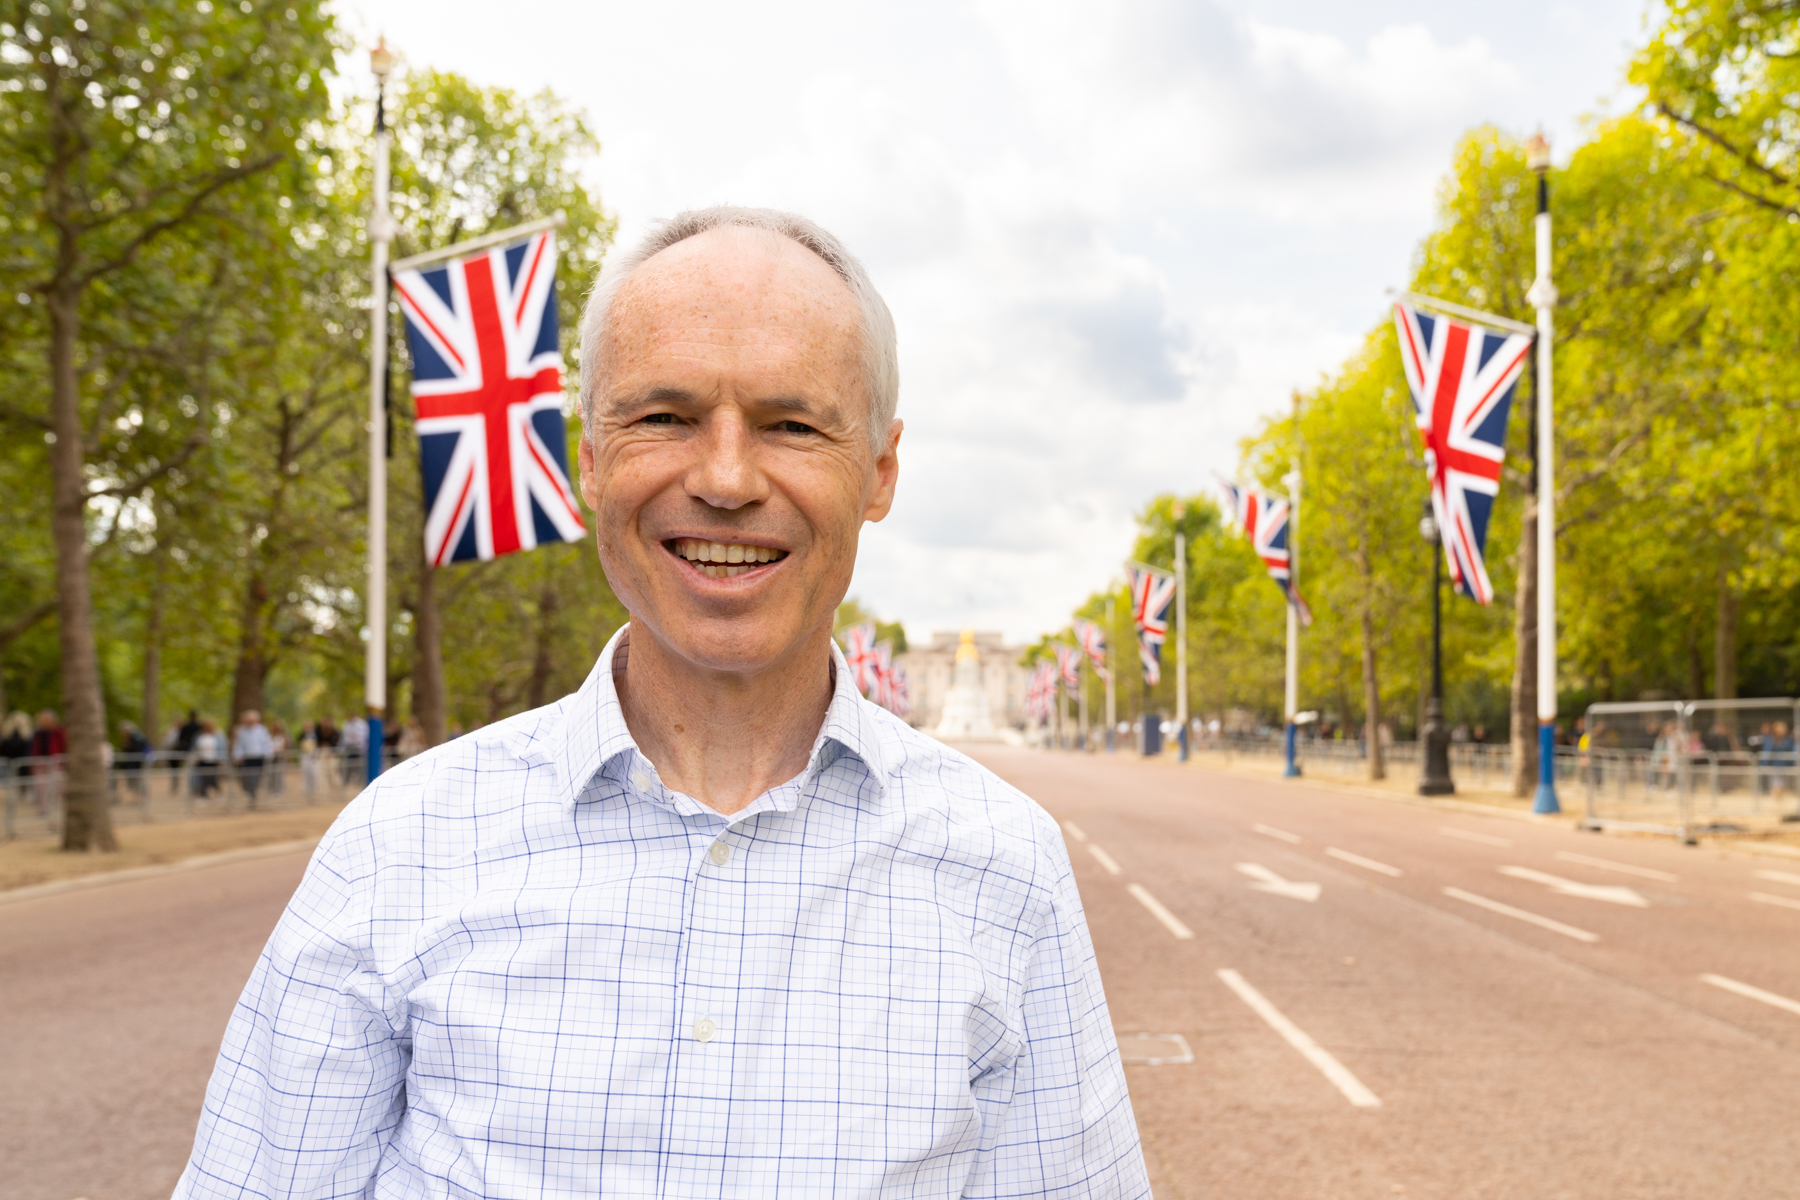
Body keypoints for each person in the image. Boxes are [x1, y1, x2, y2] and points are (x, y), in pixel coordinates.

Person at [177, 207, 1147, 1196]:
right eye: (665, 417)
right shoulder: (395, 845)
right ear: (591, 459)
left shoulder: (1005, 868)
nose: (725, 478)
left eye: (792, 425)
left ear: (880, 474)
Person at [232, 710, 272, 809]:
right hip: (247, 758)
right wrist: (237, 755)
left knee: (256, 777)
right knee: (246, 777)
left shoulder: (261, 730)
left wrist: (268, 755)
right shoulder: (241, 731)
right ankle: (250, 793)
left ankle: (253, 795)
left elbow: (267, 743)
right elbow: (239, 745)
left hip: (258, 757)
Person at [193, 719, 224, 801]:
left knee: (213, 778)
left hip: (213, 760)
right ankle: (204, 795)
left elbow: (221, 749)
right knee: (203, 779)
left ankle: (218, 793)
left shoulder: (217, 737)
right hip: (202, 760)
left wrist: (221, 760)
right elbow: (196, 748)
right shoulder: (199, 737)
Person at [266, 719, 289, 796]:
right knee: (270, 773)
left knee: (278, 774)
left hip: (279, 757)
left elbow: (285, 747)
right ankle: (271, 789)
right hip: (271, 757)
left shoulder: (283, 736)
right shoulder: (269, 736)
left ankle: (278, 790)